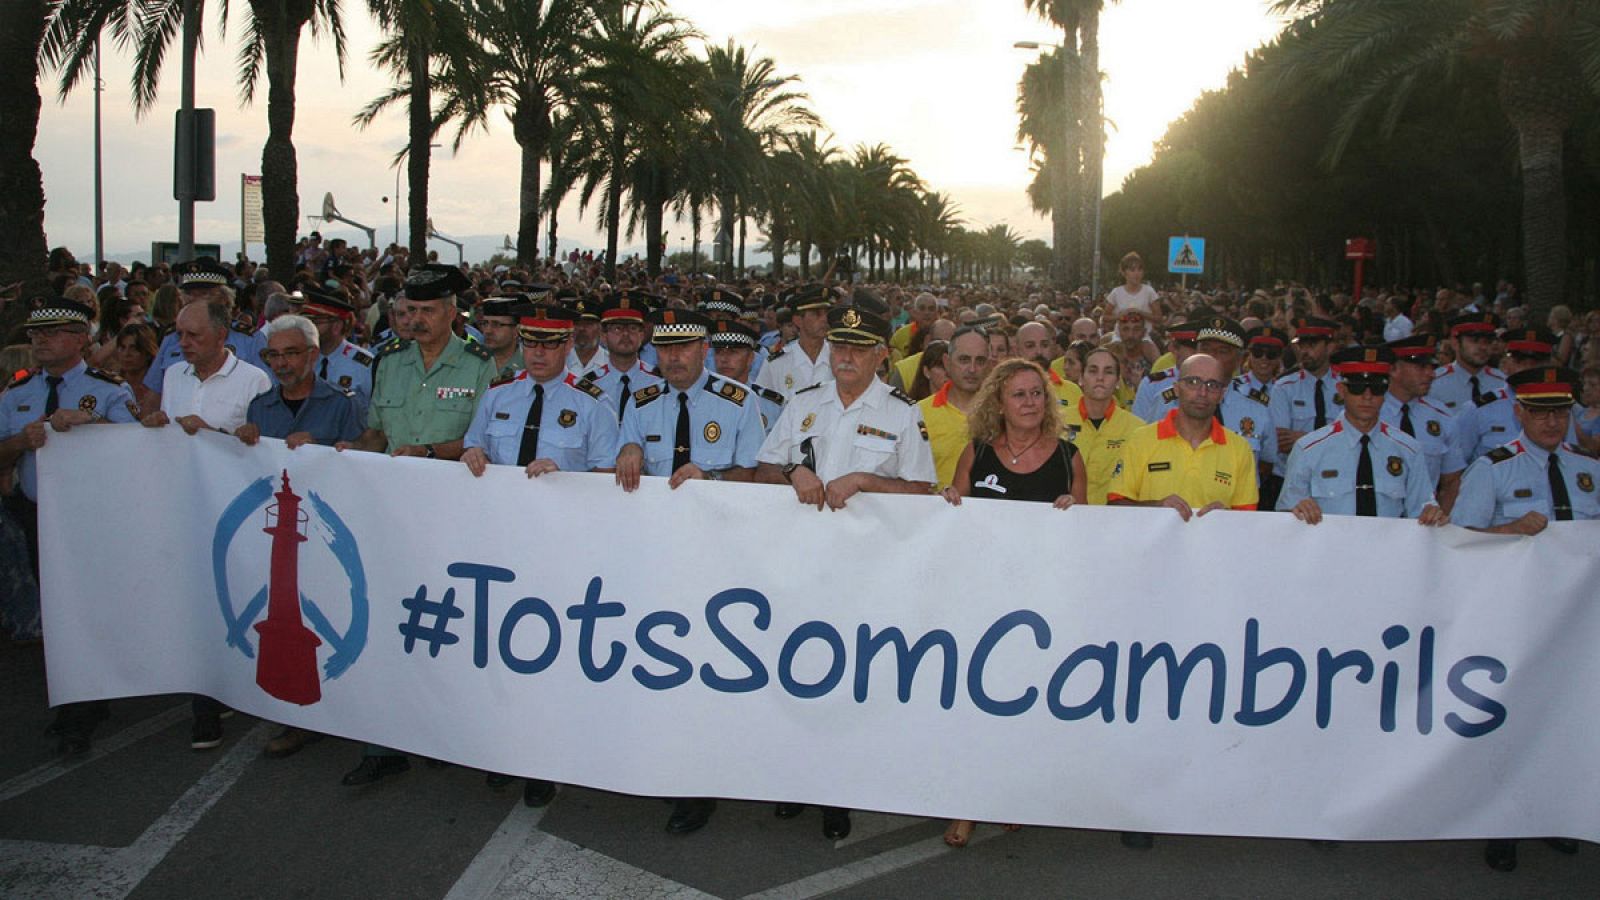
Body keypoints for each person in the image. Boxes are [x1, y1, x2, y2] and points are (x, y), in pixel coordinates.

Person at [755, 302, 935, 841]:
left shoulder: (902, 412)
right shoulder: (804, 403)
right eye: (839, 346)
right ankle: (796, 781)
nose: (846, 356)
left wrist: (864, 480)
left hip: (866, 571)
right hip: (798, 566)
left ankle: (837, 789)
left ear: (883, 354)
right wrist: (794, 471)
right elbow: (764, 469)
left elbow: (922, 491)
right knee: (793, 672)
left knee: (847, 683)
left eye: (859, 348)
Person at [612, 308, 764, 834]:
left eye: (683, 348)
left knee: (707, 669)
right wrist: (629, 446)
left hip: (718, 558)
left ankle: (701, 782)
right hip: (657, 557)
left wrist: (711, 476)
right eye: (665, 348)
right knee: (662, 664)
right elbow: (626, 452)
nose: (672, 358)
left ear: (704, 348)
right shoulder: (641, 400)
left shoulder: (738, 402)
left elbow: (753, 474)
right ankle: (666, 763)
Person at [1449, 365, 1595, 872]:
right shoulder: (1493, 468)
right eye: (1540, 412)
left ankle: (1558, 813)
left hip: (1577, 620)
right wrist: (1511, 529)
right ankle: (1503, 823)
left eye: (1560, 412)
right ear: (1519, 413)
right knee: (1511, 722)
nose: (1552, 423)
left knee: (1566, 720)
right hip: (1515, 616)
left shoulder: (1590, 470)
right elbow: (1460, 541)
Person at [937, 358, 1083, 848]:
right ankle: (968, 804)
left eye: (1037, 394)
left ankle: (1012, 795)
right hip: (980, 600)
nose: (1029, 403)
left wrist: (1072, 513)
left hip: (1040, 606)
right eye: (1018, 394)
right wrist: (946, 501)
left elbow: (1086, 538)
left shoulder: (1069, 457)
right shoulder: (976, 453)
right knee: (975, 707)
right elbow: (948, 522)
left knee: (1026, 706)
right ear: (999, 401)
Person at [0, 298, 139, 755]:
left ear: (80, 338)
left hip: (93, 517)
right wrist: (23, 440)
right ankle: (77, 695)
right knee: (56, 611)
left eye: (53, 332)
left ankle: (84, 701)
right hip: (37, 515)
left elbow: (139, 452)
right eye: (36, 333)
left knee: (89, 607)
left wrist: (93, 424)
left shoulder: (108, 390)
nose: (40, 340)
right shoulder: (17, 392)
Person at [335, 264, 495, 464]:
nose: (417, 320)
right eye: (412, 310)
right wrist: (354, 449)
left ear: (451, 313)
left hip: (447, 483)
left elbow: (482, 439)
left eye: (428, 311)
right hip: (393, 480)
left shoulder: (478, 364)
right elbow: (377, 434)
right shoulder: (390, 361)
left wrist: (428, 451)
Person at [1277, 347, 1447, 525]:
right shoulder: (1309, 449)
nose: (1367, 396)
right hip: (1329, 549)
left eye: (1376, 388)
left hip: (1388, 549)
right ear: (1342, 390)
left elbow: (1421, 509)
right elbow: (1286, 515)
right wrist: (1297, 509)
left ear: (1386, 391)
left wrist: (1431, 513)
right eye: (1357, 387)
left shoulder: (1408, 449)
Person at [1108, 353, 1260, 522]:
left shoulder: (1239, 449)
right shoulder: (1141, 440)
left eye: (1212, 385)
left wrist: (1226, 517)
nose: (1203, 392)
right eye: (1193, 382)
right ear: (1176, 388)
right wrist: (1157, 507)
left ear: (1222, 394)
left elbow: (1248, 519)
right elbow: (1115, 505)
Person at [142, 258, 269, 409]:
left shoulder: (250, 339)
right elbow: (154, 394)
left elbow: (267, 400)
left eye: (205, 293)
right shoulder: (171, 338)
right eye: (189, 293)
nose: (195, 300)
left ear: (224, 298)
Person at [1382, 334, 1467, 511]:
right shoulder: (1370, 412)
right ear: (1394, 370)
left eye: (1431, 366)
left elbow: (1451, 481)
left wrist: (1440, 522)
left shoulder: (1441, 416)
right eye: (1421, 367)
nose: (1431, 374)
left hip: (1425, 519)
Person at [1063, 347, 1145, 504]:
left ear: (1117, 381)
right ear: (1081, 378)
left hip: (1115, 521)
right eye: (1093, 371)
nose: (1100, 378)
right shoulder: (1057, 423)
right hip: (1065, 517)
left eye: (1108, 372)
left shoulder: (1137, 429)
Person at [918, 326, 994, 489]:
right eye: (964, 360)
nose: (972, 369)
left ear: (989, 365)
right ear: (947, 362)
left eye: (980, 361)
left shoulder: (1004, 413)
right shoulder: (919, 413)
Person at [582, 292, 663, 422]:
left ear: (642, 335)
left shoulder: (659, 382)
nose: (625, 334)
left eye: (632, 328)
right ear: (603, 336)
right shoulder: (589, 385)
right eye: (617, 329)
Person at [755, 284, 835, 402]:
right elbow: (764, 409)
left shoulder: (838, 358)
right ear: (798, 320)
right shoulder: (777, 364)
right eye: (816, 314)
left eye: (827, 313)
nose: (825, 319)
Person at [301, 291, 375, 414]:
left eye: (316, 322)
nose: (309, 329)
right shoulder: (305, 359)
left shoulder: (363, 363)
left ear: (336, 326)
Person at [708, 319, 786, 433]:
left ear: (750, 358)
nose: (724, 359)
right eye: (719, 352)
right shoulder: (701, 400)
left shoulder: (771, 405)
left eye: (732, 352)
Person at [1428, 312, 1506, 412]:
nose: (1483, 347)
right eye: (1475, 340)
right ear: (1455, 343)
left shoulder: (1502, 383)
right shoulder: (1434, 384)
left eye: (1488, 341)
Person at [114, 322, 161, 418]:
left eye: (134, 348)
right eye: (122, 348)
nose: (126, 354)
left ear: (147, 352)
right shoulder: (111, 385)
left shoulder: (160, 386)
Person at [1105, 251, 1158, 322]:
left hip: (1145, 332)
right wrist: (1121, 315)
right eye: (1132, 270)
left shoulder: (1149, 291)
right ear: (1124, 273)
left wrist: (1140, 313)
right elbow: (1105, 317)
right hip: (1120, 332)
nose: (1137, 273)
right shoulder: (1116, 292)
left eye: (1139, 269)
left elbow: (1159, 318)